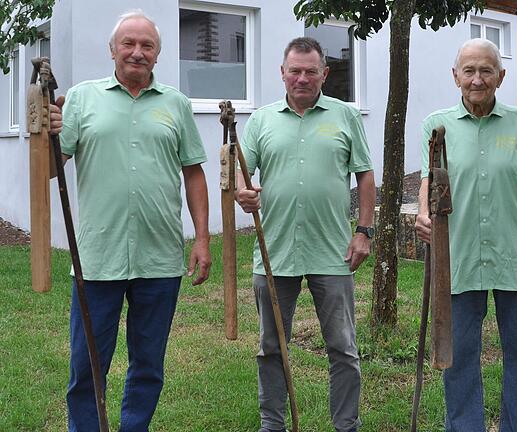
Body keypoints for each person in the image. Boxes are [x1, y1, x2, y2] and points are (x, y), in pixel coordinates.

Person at [50, 10, 211, 432]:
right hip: (97, 258)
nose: (137, 52)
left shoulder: (175, 103)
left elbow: (193, 172)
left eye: (147, 45)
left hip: (159, 258)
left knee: (148, 364)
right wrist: (42, 132)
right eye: (129, 44)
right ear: (112, 49)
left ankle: (133, 427)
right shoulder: (82, 98)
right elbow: (52, 165)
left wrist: (201, 239)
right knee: (87, 366)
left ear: (157, 54)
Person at [235, 37, 375, 432]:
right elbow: (237, 177)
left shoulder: (345, 117)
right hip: (274, 252)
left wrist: (364, 231)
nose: (302, 78)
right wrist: (241, 194)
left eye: (310, 71)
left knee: (343, 349)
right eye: (294, 70)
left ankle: (346, 425)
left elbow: (364, 174)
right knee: (270, 348)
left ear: (324, 75)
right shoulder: (261, 120)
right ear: (282, 73)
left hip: (332, 251)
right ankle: (272, 424)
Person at [414, 38, 517, 432]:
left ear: (501, 76)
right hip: (455, 259)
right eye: (469, 71)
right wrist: (423, 213)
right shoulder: (436, 125)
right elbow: (428, 180)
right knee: (457, 356)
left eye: (486, 71)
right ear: (455, 76)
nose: (477, 80)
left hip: (516, 259)